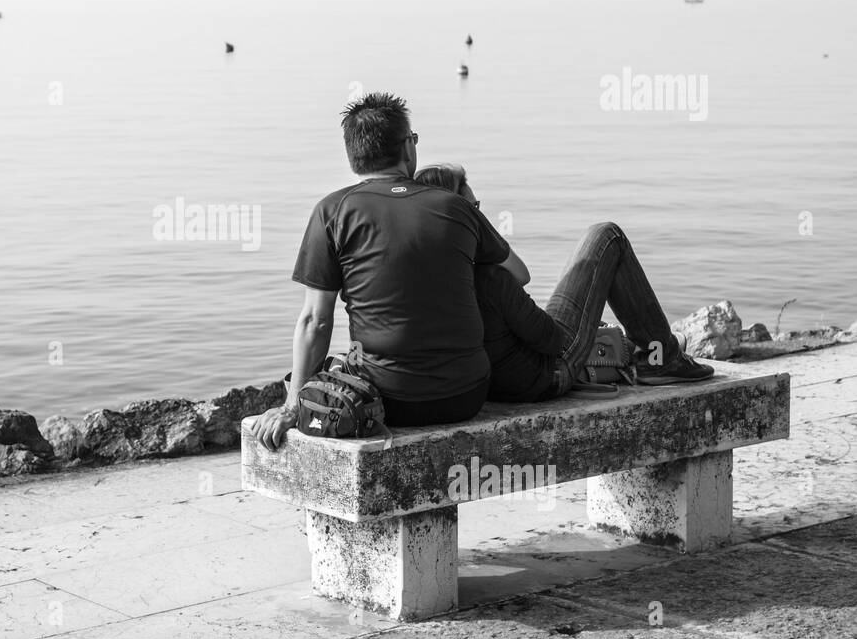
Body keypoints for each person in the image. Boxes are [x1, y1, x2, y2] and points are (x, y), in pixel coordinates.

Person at [254, 93, 528, 451]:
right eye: (413, 139)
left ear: (353, 157)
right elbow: (516, 276)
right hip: (467, 393)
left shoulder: (333, 211)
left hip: (388, 403)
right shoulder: (456, 206)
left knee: (342, 361)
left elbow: (315, 322)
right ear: (408, 147)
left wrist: (292, 406)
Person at [414, 163, 713, 402]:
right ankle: (664, 358)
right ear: (465, 217)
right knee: (607, 236)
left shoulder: (425, 276)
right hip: (545, 376)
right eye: (475, 208)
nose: (481, 215)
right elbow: (550, 339)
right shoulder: (490, 276)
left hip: (487, 385)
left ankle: (653, 350)